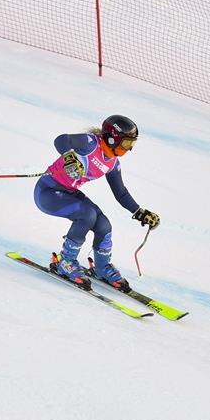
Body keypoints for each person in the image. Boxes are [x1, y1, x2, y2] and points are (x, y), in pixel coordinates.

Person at [34, 114, 160, 289]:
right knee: (87, 215)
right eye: (126, 143)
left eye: (132, 144)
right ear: (111, 138)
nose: (129, 149)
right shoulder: (90, 143)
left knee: (103, 225)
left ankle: (102, 267)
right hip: (48, 193)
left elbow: (121, 192)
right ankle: (66, 262)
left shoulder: (113, 163)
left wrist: (139, 212)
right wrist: (70, 157)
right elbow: (61, 140)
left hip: (69, 193)